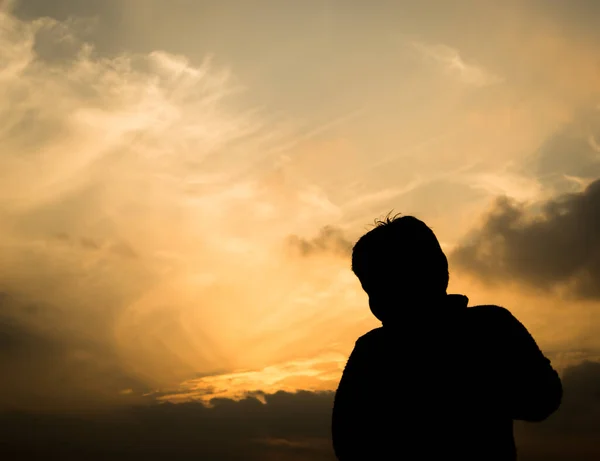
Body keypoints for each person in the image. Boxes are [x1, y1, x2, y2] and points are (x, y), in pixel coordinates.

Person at [331, 214, 562, 461]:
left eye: (380, 286)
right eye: (371, 288)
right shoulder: (492, 325)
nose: (376, 299)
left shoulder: (373, 350)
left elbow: (347, 440)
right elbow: (543, 397)